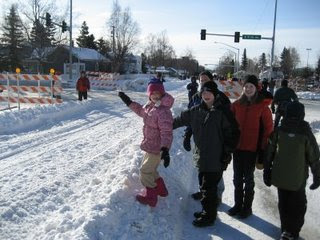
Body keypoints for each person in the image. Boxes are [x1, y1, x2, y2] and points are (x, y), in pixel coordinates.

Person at [173, 81, 239, 227]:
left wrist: (227, 153)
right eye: (203, 93)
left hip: (216, 157)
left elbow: (233, 134)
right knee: (205, 185)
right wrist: (162, 126)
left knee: (208, 188)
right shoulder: (195, 111)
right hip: (202, 156)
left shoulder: (223, 112)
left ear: (215, 94)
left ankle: (209, 217)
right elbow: (179, 120)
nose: (206, 95)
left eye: (209, 93)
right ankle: (207, 211)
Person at [263, 101, 320, 240]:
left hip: (280, 176)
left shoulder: (279, 130)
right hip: (297, 178)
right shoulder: (305, 132)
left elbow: (269, 151)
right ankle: (292, 232)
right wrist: (317, 176)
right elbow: (314, 157)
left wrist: (267, 171)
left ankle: (285, 230)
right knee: (298, 206)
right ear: (302, 115)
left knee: (284, 203)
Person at [118, 80, 174, 207]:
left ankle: (151, 197)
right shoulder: (151, 106)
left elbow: (167, 131)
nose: (155, 95)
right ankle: (161, 189)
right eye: (152, 92)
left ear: (162, 94)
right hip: (151, 145)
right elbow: (140, 111)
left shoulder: (163, 111)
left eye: (157, 93)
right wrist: (128, 102)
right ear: (149, 94)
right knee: (151, 169)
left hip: (158, 148)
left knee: (144, 171)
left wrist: (165, 149)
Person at [184, 71, 236, 204]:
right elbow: (190, 117)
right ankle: (204, 192)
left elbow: (228, 122)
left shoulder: (222, 98)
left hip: (216, 141)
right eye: (201, 80)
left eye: (206, 80)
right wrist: (187, 134)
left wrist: (227, 146)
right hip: (200, 139)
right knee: (201, 166)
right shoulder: (196, 97)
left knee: (214, 170)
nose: (203, 82)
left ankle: (217, 195)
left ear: (212, 81)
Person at [229, 75, 273, 218]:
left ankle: (247, 208)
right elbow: (229, 125)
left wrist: (263, 149)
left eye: (251, 87)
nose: (248, 89)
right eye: (246, 86)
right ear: (243, 87)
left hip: (252, 149)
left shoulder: (262, 107)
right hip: (237, 148)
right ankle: (237, 204)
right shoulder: (236, 105)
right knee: (236, 178)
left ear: (256, 88)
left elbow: (268, 129)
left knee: (248, 179)